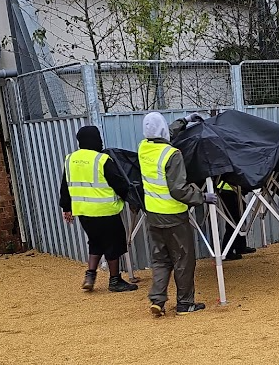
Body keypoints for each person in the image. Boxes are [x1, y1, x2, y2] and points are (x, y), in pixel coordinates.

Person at [138, 111, 217, 317]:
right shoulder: (172, 155)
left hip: (153, 215)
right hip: (174, 216)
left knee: (161, 259)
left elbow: (163, 134)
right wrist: (202, 197)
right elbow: (178, 189)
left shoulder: (143, 148)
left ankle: (157, 300)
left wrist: (184, 121)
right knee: (183, 259)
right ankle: (185, 303)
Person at [60, 124, 138, 293]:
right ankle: (115, 280)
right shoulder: (101, 160)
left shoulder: (70, 159)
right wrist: (132, 200)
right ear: (95, 140)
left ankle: (90, 275)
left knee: (95, 242)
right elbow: (119, 183)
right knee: (113, 244)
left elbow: (64, 187)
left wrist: (67, 208)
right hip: (106, 211)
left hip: (84, 213)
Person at [217, 182, 257, 261]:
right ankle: (227, 252)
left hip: (236, 189)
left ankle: (240, 247)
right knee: (233, 221)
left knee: (241, 219)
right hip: (228, 189)